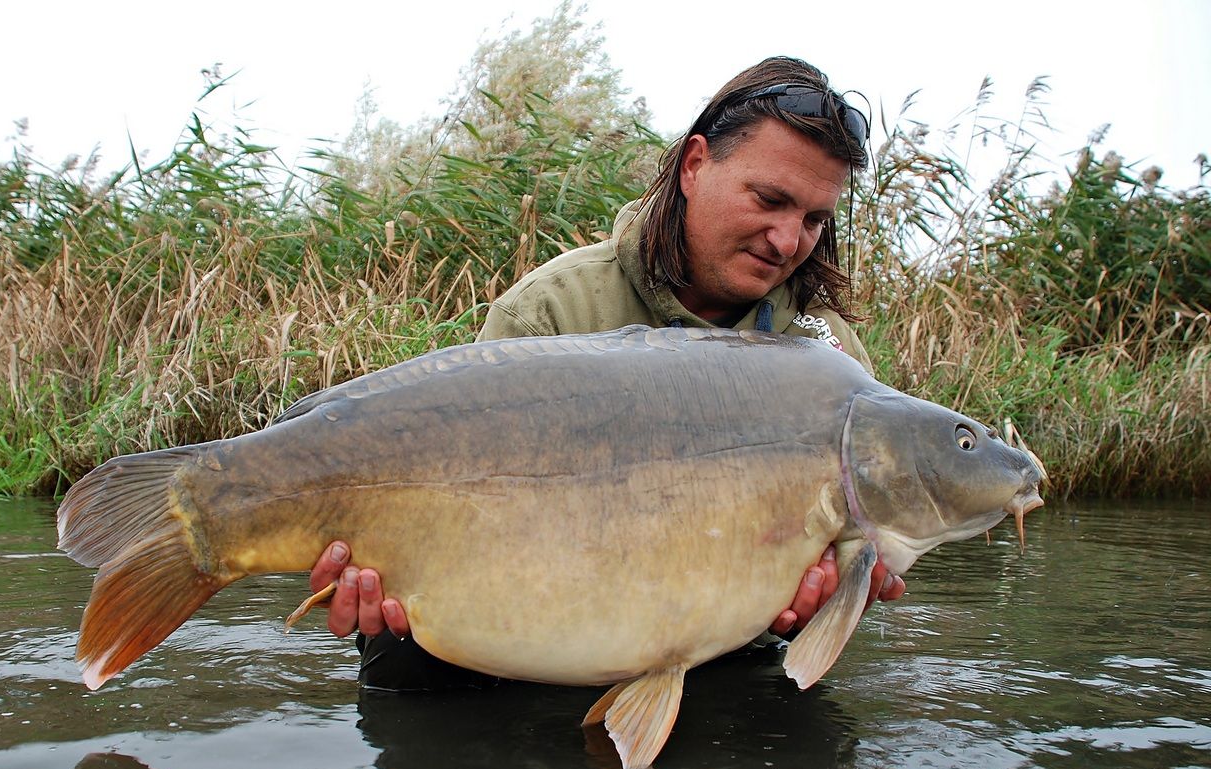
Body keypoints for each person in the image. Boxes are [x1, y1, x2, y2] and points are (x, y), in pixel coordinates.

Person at [312, 56, 905, 689]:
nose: (789, 241)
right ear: (695, 165)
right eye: (769, 200)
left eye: (814, 219)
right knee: (400, 656)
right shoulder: (554, 310)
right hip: (522, 637)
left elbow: (845, 571)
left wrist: (822, 607)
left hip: (723, 660)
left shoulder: (830, 362)